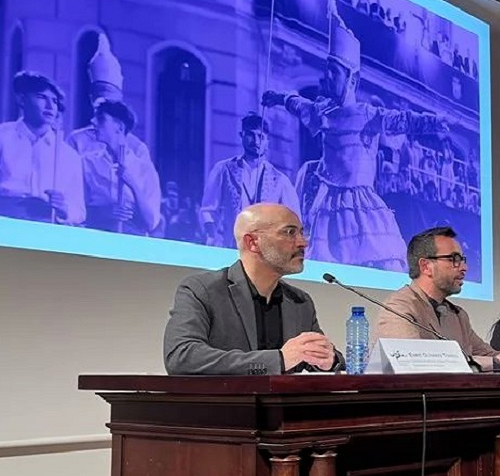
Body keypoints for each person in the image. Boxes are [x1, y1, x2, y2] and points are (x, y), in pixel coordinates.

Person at [261, 0, 450, 272]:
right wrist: (276, 97)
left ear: (352, 78)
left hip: (360, 203)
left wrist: (438, 122)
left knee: (379, 260)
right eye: (327, 71)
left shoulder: (367, 114)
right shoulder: (323, 111)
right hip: (326, 202)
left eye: (334, 72)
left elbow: (404, 120)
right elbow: (297, 103)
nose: (327, 77)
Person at [163, 203, 344, 375]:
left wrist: (330, 361)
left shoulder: (300, 301)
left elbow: (324, 359)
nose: (303, 243)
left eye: (302, 233)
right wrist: (278, 360)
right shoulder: (202, 290)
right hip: (227, 405)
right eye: (290, 232)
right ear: (253, 242)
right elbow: (181, 356)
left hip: (285, 407)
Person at [375, 226, 500, 373]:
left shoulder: (458, 315)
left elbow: (488, 354)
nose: (464, 268)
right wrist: (498, 363)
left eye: (463, 259)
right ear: (426, 266)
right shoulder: (398, 308)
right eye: (454, 259)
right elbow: (413, 362)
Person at [199, 112, 300, 247]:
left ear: (267, 141)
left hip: (265, 255)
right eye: (251, 135)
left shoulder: (280, 180)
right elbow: (208, 210)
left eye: (261, 136)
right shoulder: (224, 169)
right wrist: (212, 236)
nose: (256, 141)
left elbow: (293, 220)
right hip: (230, 247)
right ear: (242, 136)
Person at [0, 71, 85, 225]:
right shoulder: (3, 137)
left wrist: (64, 209)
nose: (50, 106)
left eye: (54, 101)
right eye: (41, 97)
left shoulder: (69, 155)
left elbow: (79, 211)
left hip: (45, 229)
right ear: (21, 99)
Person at [67, 99, 162, 235]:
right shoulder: (87, 163)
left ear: (119, 127)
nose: (93, 122)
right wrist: (103, 212)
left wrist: (132, 183)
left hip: (130, 243)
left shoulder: (144, 169)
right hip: (95, 237)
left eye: (101, 119)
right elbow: (76, 208)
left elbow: (151, 222)